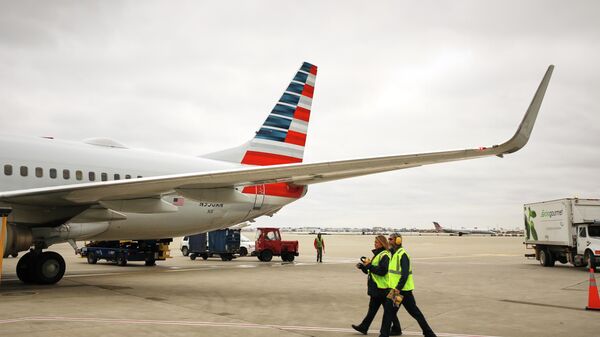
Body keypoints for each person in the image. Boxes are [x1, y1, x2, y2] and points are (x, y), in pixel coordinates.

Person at [380, 234, 436, 337]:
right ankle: (429, 333)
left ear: (398, 241)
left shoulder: (402, 255)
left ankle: (429, 333)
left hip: (400, 291)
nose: (389, 241)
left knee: (396, 312)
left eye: (391, 239)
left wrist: (398, 288)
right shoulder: (394, 253)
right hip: (399, 290)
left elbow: (404, 275)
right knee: (390, 312)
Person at [352, 235, 401, 335]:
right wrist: (363, 267)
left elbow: (382, 271)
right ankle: (364, 327)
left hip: (383, 288)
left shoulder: (384, 255)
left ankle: (396, 329)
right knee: (375, 309)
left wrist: (369, 266)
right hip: (378, 288)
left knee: (388, 310)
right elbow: (371, 270)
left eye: (377, 242)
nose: (375, 243)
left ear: (382, 243)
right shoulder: (378, 254)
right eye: (374, 242)